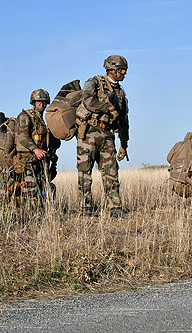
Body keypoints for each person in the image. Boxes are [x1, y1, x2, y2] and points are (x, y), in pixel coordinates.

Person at [75, 55, 130, 217]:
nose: (124, 74)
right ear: (112, 70)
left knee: (111, 172)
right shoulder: (94, 82)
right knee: (85, 172)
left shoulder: (120, 92)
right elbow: (88, 100)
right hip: (89, 132)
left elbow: (124, 120)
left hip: (108, 135)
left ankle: (115, 208)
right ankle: (86, 208)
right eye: (122, 70)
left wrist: (124, 145)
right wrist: (107, 108)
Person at [13, 89, 60, 203]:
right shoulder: (25, 116)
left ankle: (41, 214)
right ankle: (28, 216)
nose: (42, 104)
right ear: (33, 102)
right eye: (39, 101)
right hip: (27, 161)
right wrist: (35, 149)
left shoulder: (43, 121)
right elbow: (22, 137)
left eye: (44, 102)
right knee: (31, 190)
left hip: (41, 161)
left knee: (44, 189)